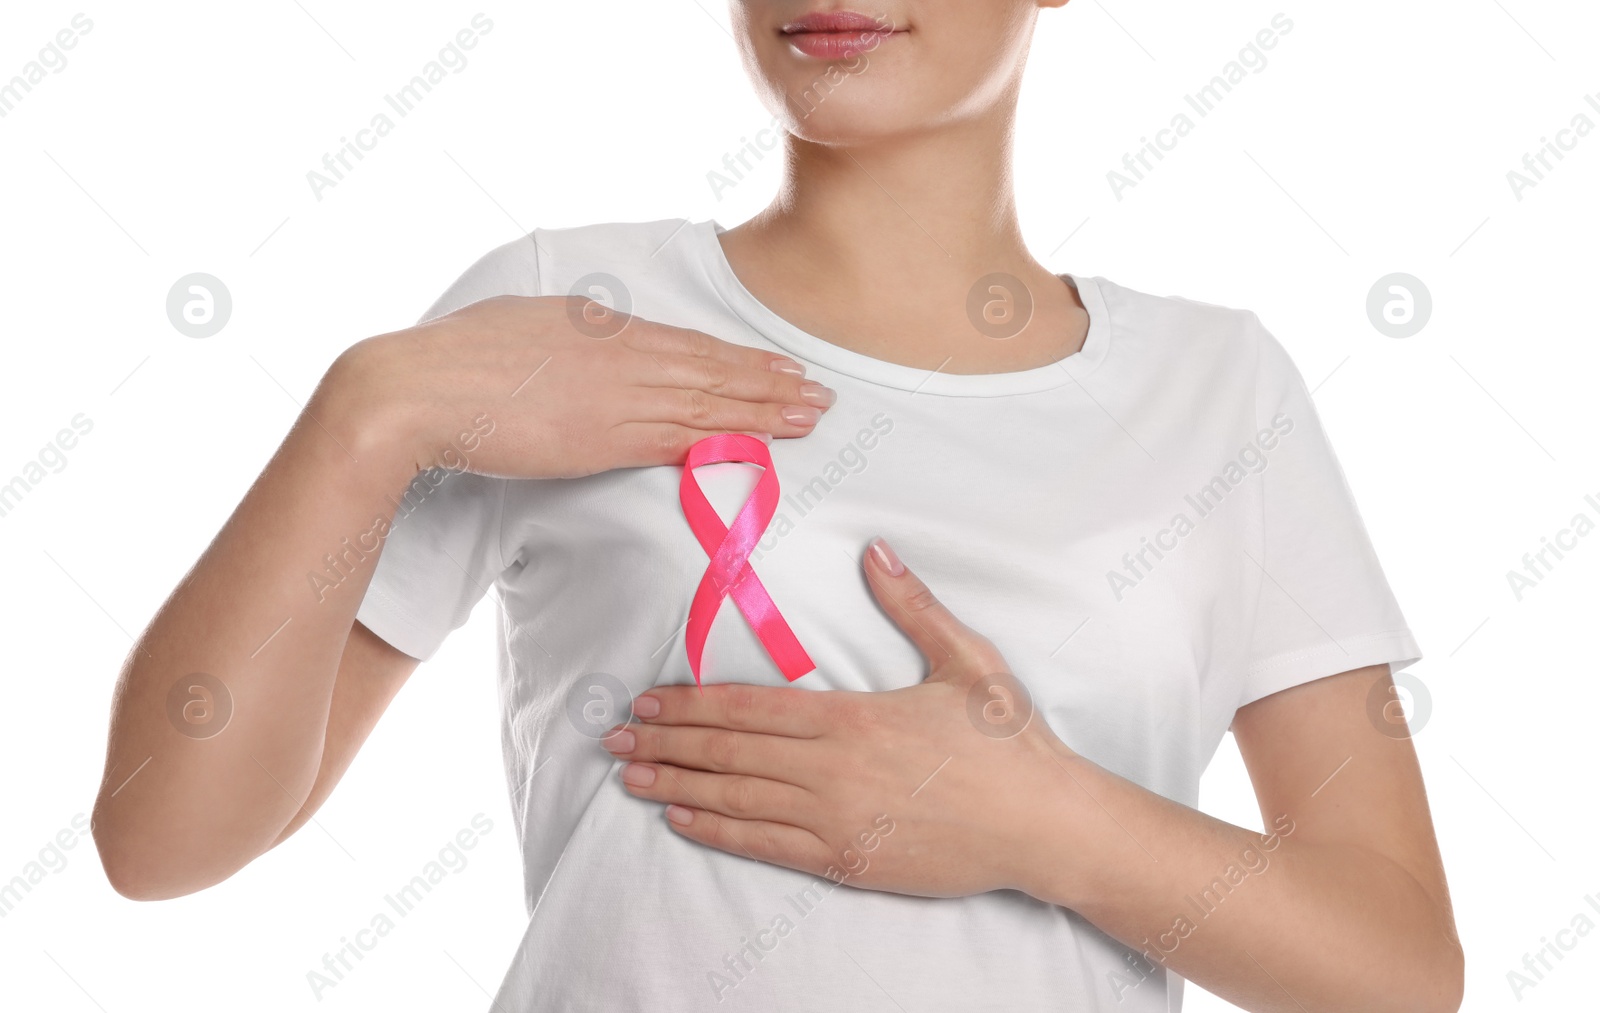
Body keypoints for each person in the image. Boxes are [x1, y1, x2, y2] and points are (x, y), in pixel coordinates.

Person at [92, 2, 1464, 1010]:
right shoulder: (570, 311)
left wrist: (1045, 822)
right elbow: (164, 838)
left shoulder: (1218, 389)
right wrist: (366, 411)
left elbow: (1399, 964)